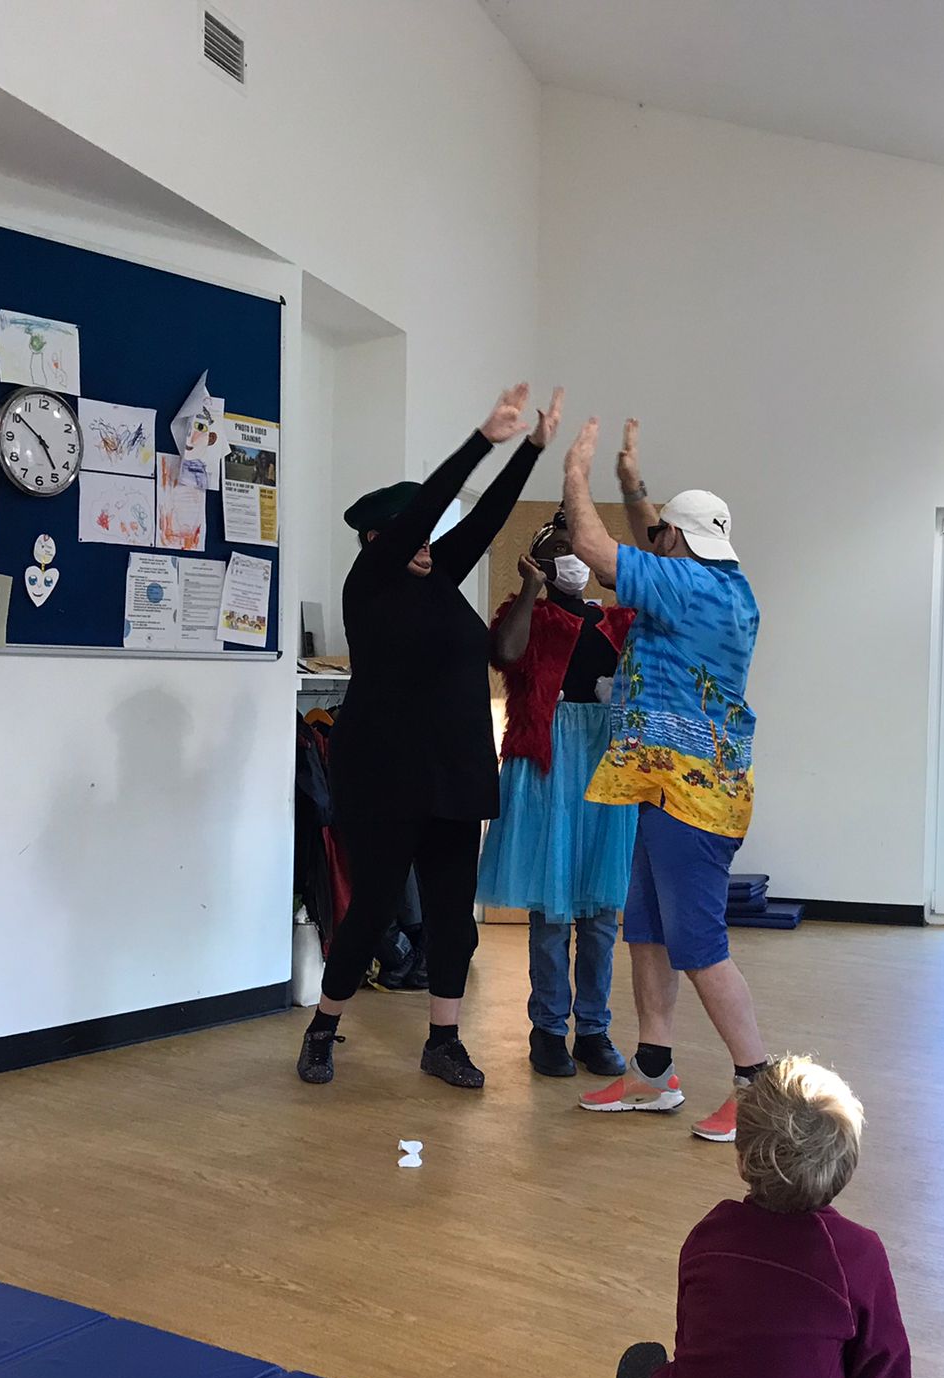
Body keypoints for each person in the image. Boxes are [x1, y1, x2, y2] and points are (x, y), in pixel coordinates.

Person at [297, 383, 563, 1091]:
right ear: (378, 540)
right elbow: (427, 507)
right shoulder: (370, 583)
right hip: (384, 776)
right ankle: (323, 1027)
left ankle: (443, 1040)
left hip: (452, 773)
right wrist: (483, 437)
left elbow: (489, 517)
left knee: (455, 921)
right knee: (373, 912)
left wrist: (532, 448)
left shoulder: (440, 579)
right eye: (415, 532)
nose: (431, 542)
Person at [595, 1056, 944, 1378]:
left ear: (741, 1156)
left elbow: (697, 1346)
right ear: (846, 1166)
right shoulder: (857, 1256)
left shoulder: (710, 1231)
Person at [558, 420, 767, 1142]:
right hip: (664, 787)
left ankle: (756, 1088)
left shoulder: (685, 587)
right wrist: (633, 486)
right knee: (645, 930)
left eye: (660, 536)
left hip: (691, 795)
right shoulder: (720, 583)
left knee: (699, 945)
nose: (655, 544)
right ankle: (653, 1073)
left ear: (676, 545)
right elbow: (661, 537)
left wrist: (577, 477)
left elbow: (595, 550)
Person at [479, 515, 639, 1078]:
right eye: (558, 550)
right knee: (551, 912)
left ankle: (593, 1029)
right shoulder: (528, 613)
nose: (571, 558)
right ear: (540, 561)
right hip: (548, 764)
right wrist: (528, 590)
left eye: (578, 549)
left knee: (599, 913)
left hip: (604, 766)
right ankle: (547, 1029)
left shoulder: (617, 619)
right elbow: (506, 653)